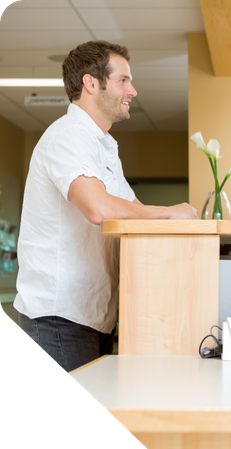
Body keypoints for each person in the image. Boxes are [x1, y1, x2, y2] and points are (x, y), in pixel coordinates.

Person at [14, 40, 198, 372]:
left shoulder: (104, 147)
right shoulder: (67, 137)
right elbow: (99, 208)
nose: (133, 90)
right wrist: (171, 211)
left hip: (94, 315)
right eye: (123, 80)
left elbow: (132, 209)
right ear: (91, 83)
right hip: (60, 317)